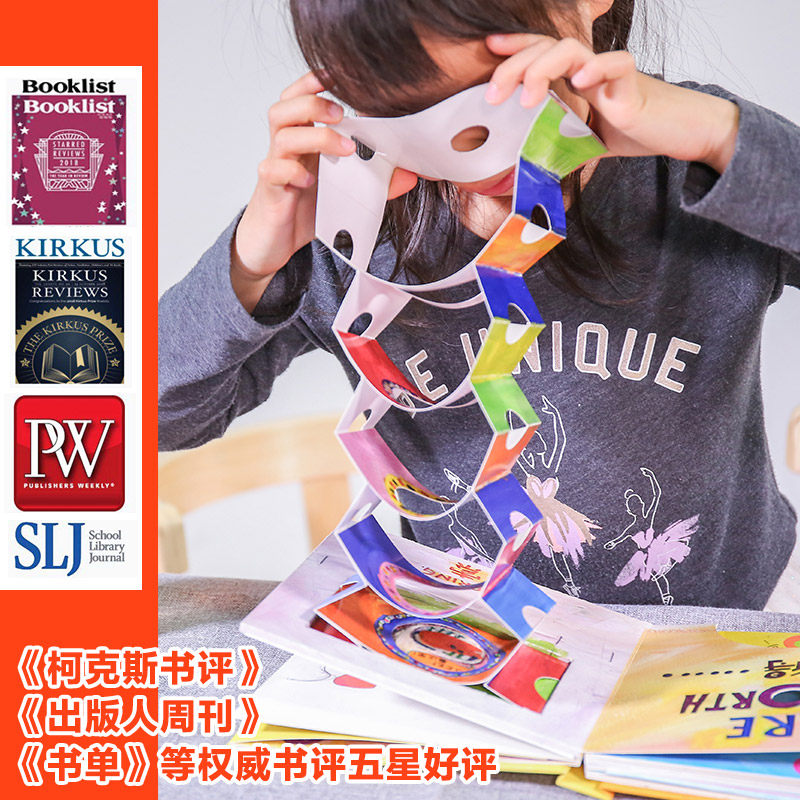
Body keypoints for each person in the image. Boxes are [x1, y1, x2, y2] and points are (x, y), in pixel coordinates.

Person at [158, 0, 800, 608]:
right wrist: (250, 262)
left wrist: (721, 138)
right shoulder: (345, 227)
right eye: (412, 112)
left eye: (503, 85)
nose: (469, 148)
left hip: (733, 624)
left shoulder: (697, 160)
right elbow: (152, 417)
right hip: (476, 640)